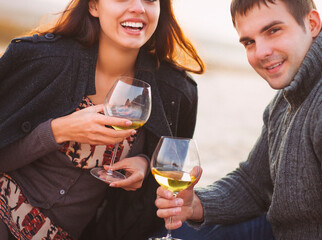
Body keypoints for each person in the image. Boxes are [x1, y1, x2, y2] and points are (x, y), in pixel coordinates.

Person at [154, 0, 322, 239]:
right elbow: (253, 184)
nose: (261, 52)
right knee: (169, 225)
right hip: (277, 230)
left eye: (273, 31)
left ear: (312, 24)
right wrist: (195, 205)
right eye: (249, 42)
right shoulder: (291, 94)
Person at [0, 0, 204, 239]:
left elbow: (169, 191)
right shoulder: (37, 58)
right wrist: (58, 131)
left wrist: (146, 165)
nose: (139, 7)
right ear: (94, 6)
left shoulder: (177, 92)